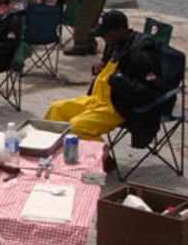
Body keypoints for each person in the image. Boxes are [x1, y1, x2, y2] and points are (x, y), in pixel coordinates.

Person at [44, 10, 161, 147]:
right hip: (96, 100)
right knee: (56, 109)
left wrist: (119, 79)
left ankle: (105, 161)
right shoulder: (113, 43)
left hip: (119, 106)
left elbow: (148, 92)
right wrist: (100, 69)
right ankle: (51, 151)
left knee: (77, 127)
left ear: (120, 30)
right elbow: (108, 68)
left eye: (105, 34)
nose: (103, 39)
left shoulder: (140, 53)